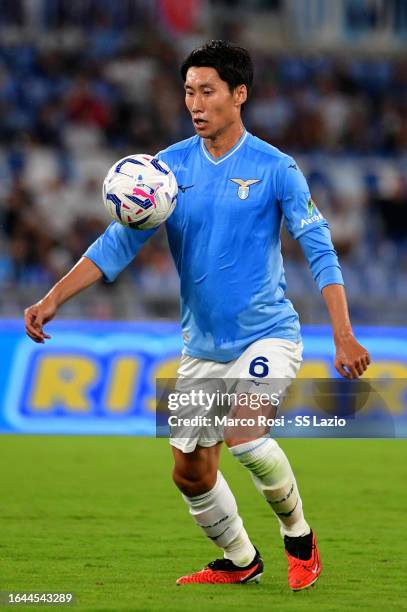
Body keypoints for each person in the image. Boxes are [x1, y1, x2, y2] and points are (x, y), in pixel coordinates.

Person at [24, 40, 371, 590]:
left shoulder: (277, 169)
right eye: (189, 91)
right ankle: (239, 559)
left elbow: (320, 249)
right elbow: (117, 243)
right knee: (189, 471)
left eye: (207, 91)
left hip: (268, 337)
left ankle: (299, 537)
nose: (196, 103)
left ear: (239, 95)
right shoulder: (166, 169)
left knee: (244, 433)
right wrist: (53, 299)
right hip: (202, 346)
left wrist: (344, 336)